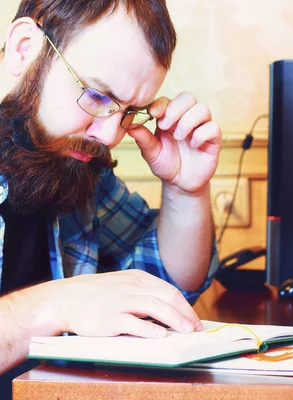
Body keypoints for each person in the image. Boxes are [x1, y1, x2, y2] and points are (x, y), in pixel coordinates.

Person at [0, 0, 222, 377]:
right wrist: (54, 305)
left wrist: (186, 190)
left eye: (129, 112)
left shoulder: (73, 165)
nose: (109, 135)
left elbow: (166, 288)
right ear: (25, 48)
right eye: (98, 96)